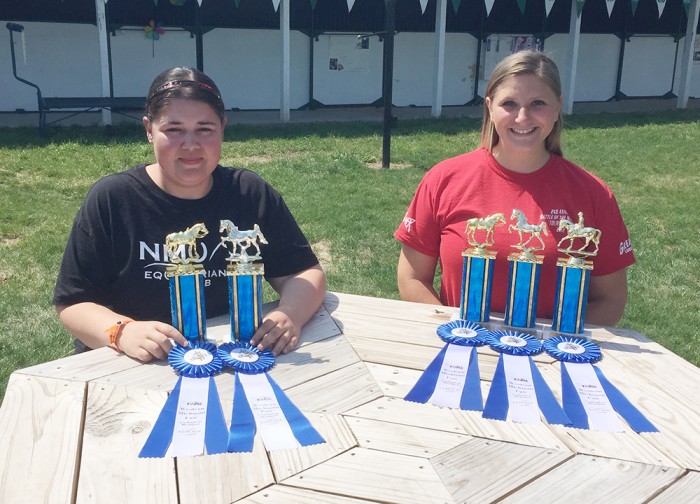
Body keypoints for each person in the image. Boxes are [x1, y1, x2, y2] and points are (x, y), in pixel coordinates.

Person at [54, 67, 326, 361]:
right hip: (132, 362)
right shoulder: (113, 199)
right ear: (148, 129)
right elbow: (73, 303)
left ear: (223, 127)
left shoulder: (249, 193)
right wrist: (122, 332)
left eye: (204, 129)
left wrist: (290, 314)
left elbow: (303, 272)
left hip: (227, 358)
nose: (191, 145)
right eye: (174, 129)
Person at [394, 50, 634, 326]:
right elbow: (411, 278)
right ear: (490, 107)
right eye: (509, 103)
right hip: (463, 353)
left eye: (537, 103)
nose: (522, 117)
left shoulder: (593, 193)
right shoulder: (444, 179)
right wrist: (454, 334)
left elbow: (610, 299)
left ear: (558, 107)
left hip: (550, 360)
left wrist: (556, 348)